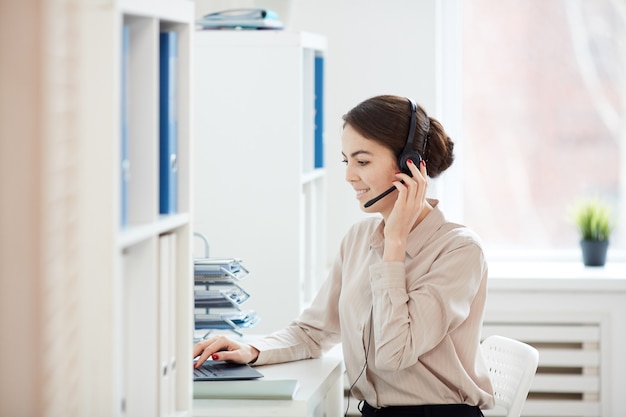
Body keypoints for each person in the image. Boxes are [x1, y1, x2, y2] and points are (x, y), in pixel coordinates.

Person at [193, 95, 495, 416]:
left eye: (362, 162)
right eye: (346, 161)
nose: (349, 176)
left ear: (410, 164)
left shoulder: (458, 250)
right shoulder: (358, 238)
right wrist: (252, 349)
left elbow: (393, 356)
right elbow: (314, 331)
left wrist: (394, 244)